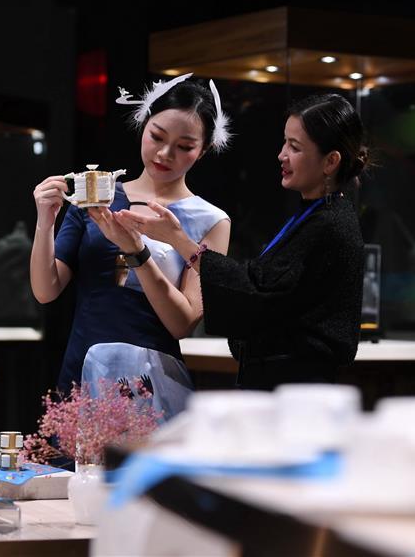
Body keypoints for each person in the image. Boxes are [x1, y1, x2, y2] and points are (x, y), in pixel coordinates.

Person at [119, 94, 367, 390]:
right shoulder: (316, 215)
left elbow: (255, 293)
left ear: (331, 161)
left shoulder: (330, 224)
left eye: (295, 147)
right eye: (285, 142)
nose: (282, 155)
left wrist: (177, 240)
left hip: (296, 389)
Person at [30, 74, 231, 418]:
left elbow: (182, 323)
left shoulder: (209, 220)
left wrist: (138, 252)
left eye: (184, 147)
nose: (165, 153)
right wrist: (45, 221)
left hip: (155, 380)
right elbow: (46, 290)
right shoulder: (97, 196)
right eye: (157, 136)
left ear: (204, 150)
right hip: (84, 367)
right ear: (143, 124)